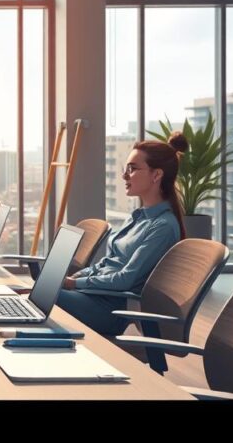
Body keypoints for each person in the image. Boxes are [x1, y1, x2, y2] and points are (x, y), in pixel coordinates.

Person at [56, 132, 190, 335]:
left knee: (40, 297)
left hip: (108, 309)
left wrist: (74, 283)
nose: (124, 176)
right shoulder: (137, 216)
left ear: (156, 175)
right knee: (38, 293)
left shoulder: (162, 226)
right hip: (92, 294)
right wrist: (77, 276)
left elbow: (125, 279)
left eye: (132, 169)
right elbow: (108, 262)